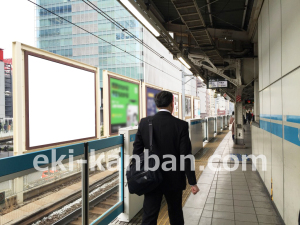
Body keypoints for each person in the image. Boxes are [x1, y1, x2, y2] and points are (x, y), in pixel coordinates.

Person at [133, 91, 199, 225]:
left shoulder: (145, 123)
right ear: (172, 104)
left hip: (151, 177)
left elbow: (137, 151)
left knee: (149, 215)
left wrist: (137, 174)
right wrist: (192, 181)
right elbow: (186, 155)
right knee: (175, 213)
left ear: (157, 105)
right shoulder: (180, 125)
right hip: (174, 178)